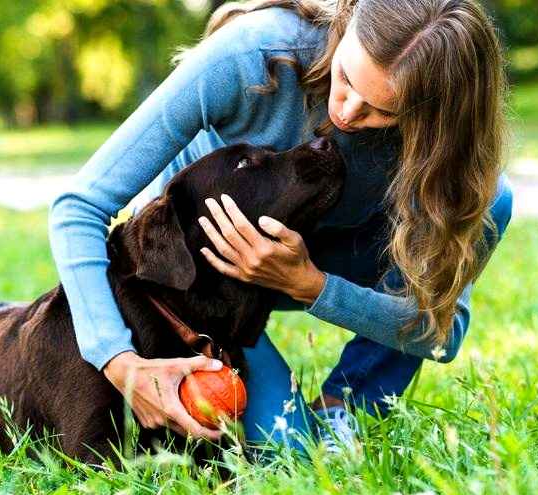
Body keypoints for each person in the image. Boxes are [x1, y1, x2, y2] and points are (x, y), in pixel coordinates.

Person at [48, 0, 513, 453]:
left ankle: (344, 406)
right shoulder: (252, 56)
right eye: (347, 78)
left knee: (494, 200)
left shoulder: (459, 170)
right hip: (207, 291)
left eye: (383, 111)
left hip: (320, 263)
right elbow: (79, 206)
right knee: (286, 449)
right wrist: (119, 361)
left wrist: (311, 285)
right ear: (347, 20)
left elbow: (439, 333)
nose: (347, 113)